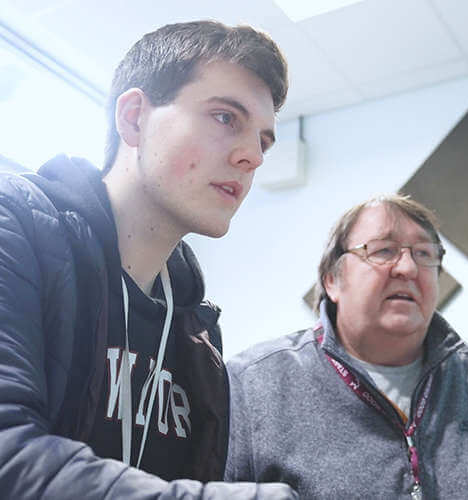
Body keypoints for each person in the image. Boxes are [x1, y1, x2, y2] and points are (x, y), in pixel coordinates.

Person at [0, 20, 297, 499]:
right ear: (135, 117)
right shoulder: (16, 230)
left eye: (263, 140)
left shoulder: (197, 332)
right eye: (226, 118)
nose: (253, 157)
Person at [225, 194, 468, 499]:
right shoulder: (254, 386)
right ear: (332, 280)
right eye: (383, 250)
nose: (408, 268)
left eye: (424, 253)